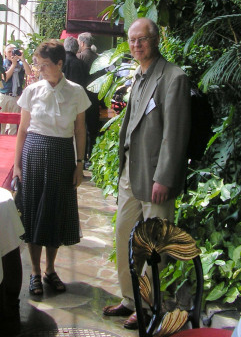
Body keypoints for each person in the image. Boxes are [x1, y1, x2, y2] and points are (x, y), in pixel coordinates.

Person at [102, 18, 191, 329]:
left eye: (142, 39)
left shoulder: (174, 77)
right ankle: (130, 299)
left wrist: (164, 177)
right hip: (131, 172)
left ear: (155, 40)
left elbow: (175, 134)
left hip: (156, 177)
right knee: (125, 236)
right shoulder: (138, 76)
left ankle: (148, 306)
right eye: (132, 40)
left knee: (155, 247)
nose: (136, 45)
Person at [13, 39, 91, 296]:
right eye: (38, 64)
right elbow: (22, 130)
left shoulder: (76, 92)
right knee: (34, 211)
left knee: (55, 211)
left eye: (45, 65)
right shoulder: (32, 91)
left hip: (62, 154)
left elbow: (80, 130)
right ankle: (35, 272)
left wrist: (79, 164)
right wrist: (16, 165)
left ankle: (50, 269)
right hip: (34, 153)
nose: (40, 70)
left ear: (59, 63)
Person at [77, 32, 101, 163]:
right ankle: (91, 157)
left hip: (83, 96)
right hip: (95, 97)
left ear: (82, 43)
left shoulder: (80, 57)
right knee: (93, 129)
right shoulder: (97, 58)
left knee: (81, 127)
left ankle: (82, 157)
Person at [0, 44, 32, 134]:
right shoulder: (2, 64)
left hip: (17, 97)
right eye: (9, 52)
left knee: (14, 125)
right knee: (1, 124)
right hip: (5, 96)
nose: (11, 54)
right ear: (5, 53)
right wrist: (13, 65)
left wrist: (23, 59)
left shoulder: (20, 64)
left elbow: (29, 73)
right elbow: (5, 78)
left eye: (13, 51)